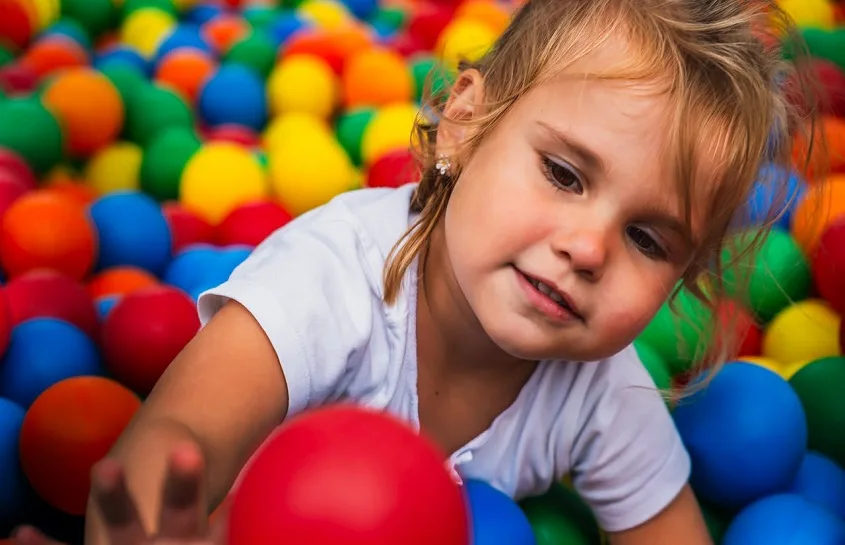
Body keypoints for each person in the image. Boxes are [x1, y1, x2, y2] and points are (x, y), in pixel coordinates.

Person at [12, 0, 823, 543]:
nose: (588, 247)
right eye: (564, 174)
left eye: (647, 238)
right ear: (465, 123)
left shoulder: (599, 384)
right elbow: (174, 440)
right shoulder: (334, 279)